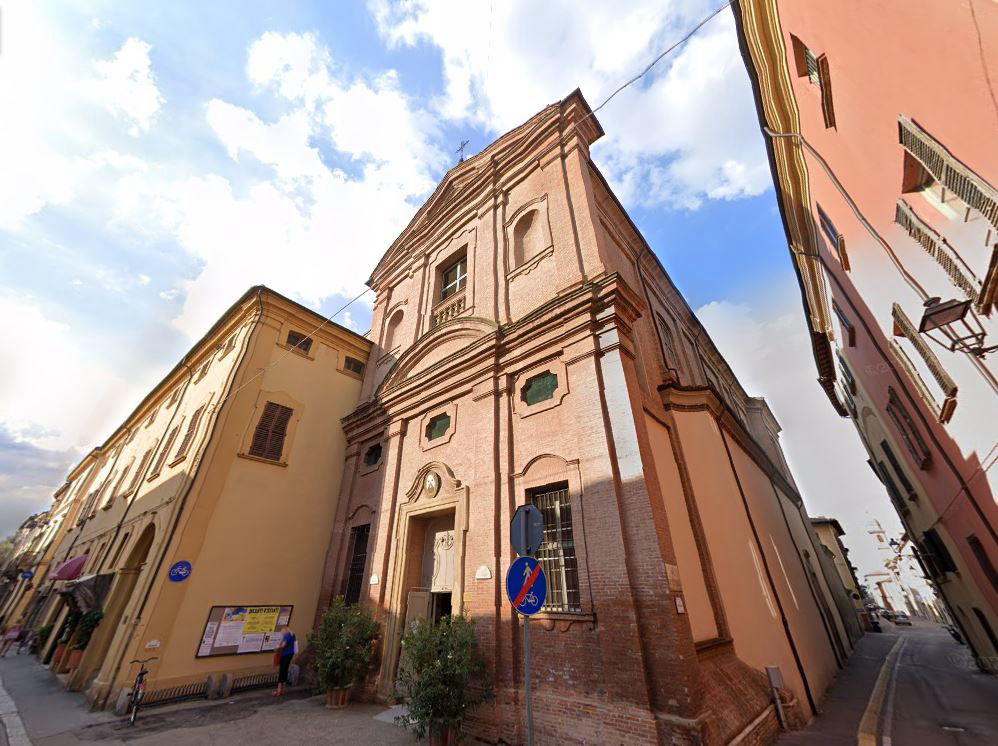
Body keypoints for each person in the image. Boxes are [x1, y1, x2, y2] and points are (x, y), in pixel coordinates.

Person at [273, 625, 296, 696]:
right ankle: (283, 689)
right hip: (290, 654)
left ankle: (279, 690)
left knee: (282, 671)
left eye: (282, 632)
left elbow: (283, 645)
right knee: (285, 670)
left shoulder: (287, 635)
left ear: (284, 630)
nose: (282, 633)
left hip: (285, 655)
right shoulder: (292, 635)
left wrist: (277, 648)